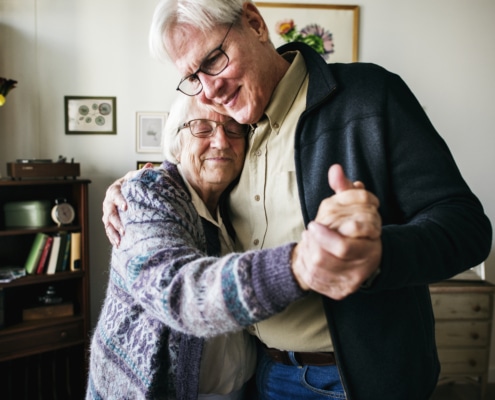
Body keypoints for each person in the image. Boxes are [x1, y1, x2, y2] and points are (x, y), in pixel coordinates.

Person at [102, 1, 492, 399]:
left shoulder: (370, 96)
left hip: (355, 380)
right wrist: (135, 184)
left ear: (254, 24)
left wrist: (379, 253)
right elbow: (187, 175)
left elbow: (467, 227)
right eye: (192, 77)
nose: (210, 89)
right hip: (260, 375)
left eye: (214, 59)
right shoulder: (234, 132)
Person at [89, 94, 380, 400]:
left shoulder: (233, 202)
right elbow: (176, 291)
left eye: (233, 129)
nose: (221, 141)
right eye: (202, 128)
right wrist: (299, 265)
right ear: (176, 141)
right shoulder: (147, 195)